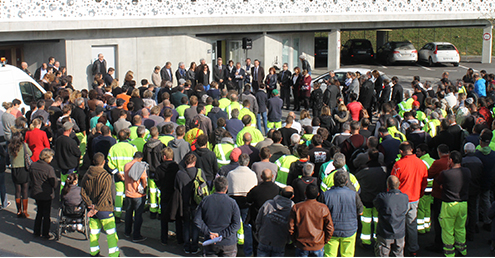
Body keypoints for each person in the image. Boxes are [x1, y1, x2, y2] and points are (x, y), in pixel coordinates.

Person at [390, 141, 428, 256]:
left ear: (401, 152)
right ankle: (413, 248)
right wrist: (419, 194)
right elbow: (424, 182)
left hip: (400, 199)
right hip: (414, 198)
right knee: (412, 225)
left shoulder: (398, 165)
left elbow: (392, 183)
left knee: (398, 224)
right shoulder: (421, 164)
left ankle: (399, 248)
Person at [80, 153, 120, 257]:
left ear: (93, 162)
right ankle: (114, 254)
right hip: (104, 208)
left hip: (92, 208)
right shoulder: (106, 176)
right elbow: (105, 193)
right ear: (103, 162)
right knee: (111, 233)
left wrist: (90, 205)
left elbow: (82, 191)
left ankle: (94, 252)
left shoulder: (87, 174)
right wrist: (97, 208)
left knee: (94, 232)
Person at [194, 176, 241, 257]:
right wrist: (221, 235)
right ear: (226, 188)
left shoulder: (205, 200)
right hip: (228, 243)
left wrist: (208, 232)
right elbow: (236, 224)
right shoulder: (232, 203)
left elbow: (197, 220)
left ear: (214, 187)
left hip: (211, 242)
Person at [437, 151, 471, 257]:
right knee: (460, 228)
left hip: (449, 204)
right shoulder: (467, 171)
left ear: (451, 160)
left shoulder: (445, 173)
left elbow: (439, 183)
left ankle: (449, 253)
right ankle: (462, 249)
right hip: (463, 204)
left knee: (448, 229)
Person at [323, 170, 364, 257]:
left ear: (334, 181)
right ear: (346, 182)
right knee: (347, 255)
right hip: (349, 229)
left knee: (329, 254)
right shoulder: (354, 194)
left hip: (331, 230)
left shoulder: (326, 195)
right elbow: (360, 212)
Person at [289, 184, 334, 257]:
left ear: (305, 193)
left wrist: (295, 241)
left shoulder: (297, 207)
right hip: (318, 245)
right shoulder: (323, 208)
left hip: (301, 245)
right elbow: (330, 228)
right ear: (318, 194)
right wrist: (324, 241)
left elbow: (291, 227)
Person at [355, 148, 387, 247]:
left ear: (368, 157)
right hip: (379, 198)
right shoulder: (383, 169)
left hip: (366, 198)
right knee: (378, 220)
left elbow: (357, 179)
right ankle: (378, 239)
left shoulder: (363, 169)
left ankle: (366, 241)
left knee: (366, 221)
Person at [227, 153, 258, 257]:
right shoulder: (252, 174)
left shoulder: (231, 174)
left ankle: (232, 250)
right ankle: (248, 253)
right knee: (247, 227)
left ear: (238, 161)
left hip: (233, 201)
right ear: (248, 162)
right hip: (246, 202)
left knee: (232, 226)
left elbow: (228, 189)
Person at [373, 175, 409, 257]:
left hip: (385, 232)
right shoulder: (405, 198)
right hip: (400, 232)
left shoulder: (382, 197)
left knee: (382, 253)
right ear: (399, 184)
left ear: (388, 185)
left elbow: (376, 204)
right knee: (399, 253)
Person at [107, 129, 138, 221]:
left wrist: (117, 173)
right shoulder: (132, 147)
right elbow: (136, 162)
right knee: (130, 195)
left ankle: (117, 214)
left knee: (119, 194)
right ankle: (130, 215)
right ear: (127, 137)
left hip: (119, 175)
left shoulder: (113, 148)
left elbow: (109, 163)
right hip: (130, 175)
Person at [255, 186, 294, 257]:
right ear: (292, 196)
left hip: (264, 239)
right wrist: (288, 240)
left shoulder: (268, 204)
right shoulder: (292, 209)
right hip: (280, 243)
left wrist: (259, 233)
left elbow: (258, 220)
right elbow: (292, 227)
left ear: (281, 193)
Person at [154, 147, 180, 245]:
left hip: (164, 194)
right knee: (177, 217)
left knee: (164, 219)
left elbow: (156, 180)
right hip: (174, 195)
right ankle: (179, 238)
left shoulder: (159, 168)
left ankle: (164, 238)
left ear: (164, 157)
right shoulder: (176, 167)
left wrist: (161, 187)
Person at [30, 148, 57, 239]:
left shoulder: (33, 165)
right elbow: (54, 183)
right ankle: (45, 233)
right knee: (46, 215)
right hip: (46, 194)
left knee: (39, 212)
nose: (52, 159)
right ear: (47, 158)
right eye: (51, 157)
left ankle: (36, 231)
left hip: (36, 192)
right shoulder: (49, 169)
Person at [123, 152, 148, 242]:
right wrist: (145, 190)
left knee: (128, 213)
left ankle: (127, 232)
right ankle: (136, 235)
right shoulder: (141, 167)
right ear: (140, 158)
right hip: (138, 195)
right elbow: (144, 181)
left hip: (128, 193)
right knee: (138, 215)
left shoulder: (126, 166)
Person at [8, 132, 32, 218]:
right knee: (25, 190)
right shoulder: (24, 145)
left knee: (17, 191)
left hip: (15, 170)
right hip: (23, 170)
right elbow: (30, 153)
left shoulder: (10, 147)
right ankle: (25, 211)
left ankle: (19, 210)